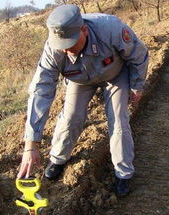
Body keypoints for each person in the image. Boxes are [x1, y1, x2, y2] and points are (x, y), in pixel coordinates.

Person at [17, 4, 149, 197]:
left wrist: (137, 86)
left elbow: (139, 55)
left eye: (71, 43)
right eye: (62, 45)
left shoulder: (111, 29)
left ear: (84, 30)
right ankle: (58, 158)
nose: (67, 50)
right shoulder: (54, 50)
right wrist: (31, 144)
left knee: (118, 120)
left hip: (115, 75)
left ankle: (123, 173)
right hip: (79, 79)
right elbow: (41, 91)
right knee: (71, 118)